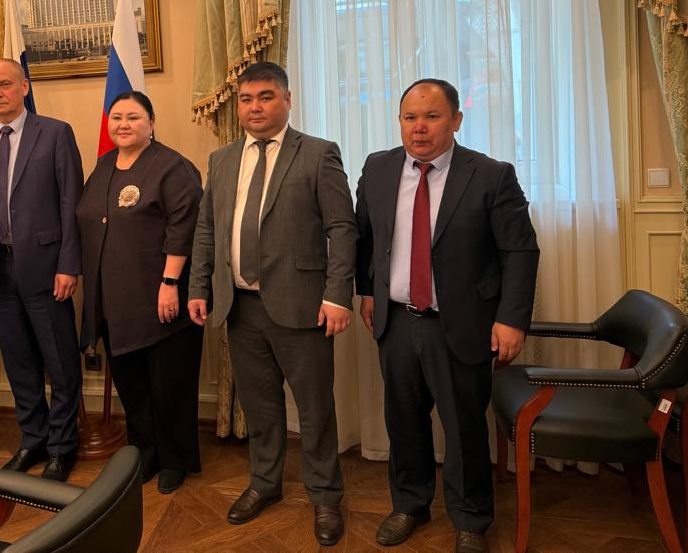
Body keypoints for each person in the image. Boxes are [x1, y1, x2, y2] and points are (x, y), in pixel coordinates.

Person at [354, 79, 539, 553]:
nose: (419, 127)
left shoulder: (491, 175)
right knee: (403, 421)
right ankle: (410, 504)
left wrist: (512, 319)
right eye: (410, 117)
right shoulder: (377, 168)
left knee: (463, 428)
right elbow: (365, 238)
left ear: (456, 120)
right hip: (396, 321)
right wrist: (367, 291)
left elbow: (519, 251)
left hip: (461, 324)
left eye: (432, 117)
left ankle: (471, 519)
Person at [188, 61, 355, 547]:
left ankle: (325, 495)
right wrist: (199, 287)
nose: (254, 107)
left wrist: (337, 295)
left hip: (303, 305)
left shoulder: (319, 153)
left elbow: (342, 229)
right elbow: (207, 229)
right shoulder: (221, 160)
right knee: (260, 407)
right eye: (246, 99)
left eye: (265, 97)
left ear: (287, 100)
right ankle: (265, 483)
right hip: (240, 307)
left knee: (315, 409)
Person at [0, 58, 84, 482]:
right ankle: (34, 439)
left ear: (24, 87)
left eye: (5, 84)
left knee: (60, 361)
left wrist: (69, 264)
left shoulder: (55, 133)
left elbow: (71, 203)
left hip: (47, 268)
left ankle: (63, 446)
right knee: (18, 361)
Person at [77, 91, 203, 494]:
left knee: (169, 387)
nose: (123, 124)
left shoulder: (172, 167)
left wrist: (170, 283)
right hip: (115, 304)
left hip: (161, 299)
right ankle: (144, 455)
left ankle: (175, 460)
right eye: (116, 117)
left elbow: (183, 227)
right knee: (132, 388)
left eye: (133, 117)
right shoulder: (103, 166)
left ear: (151, 122)